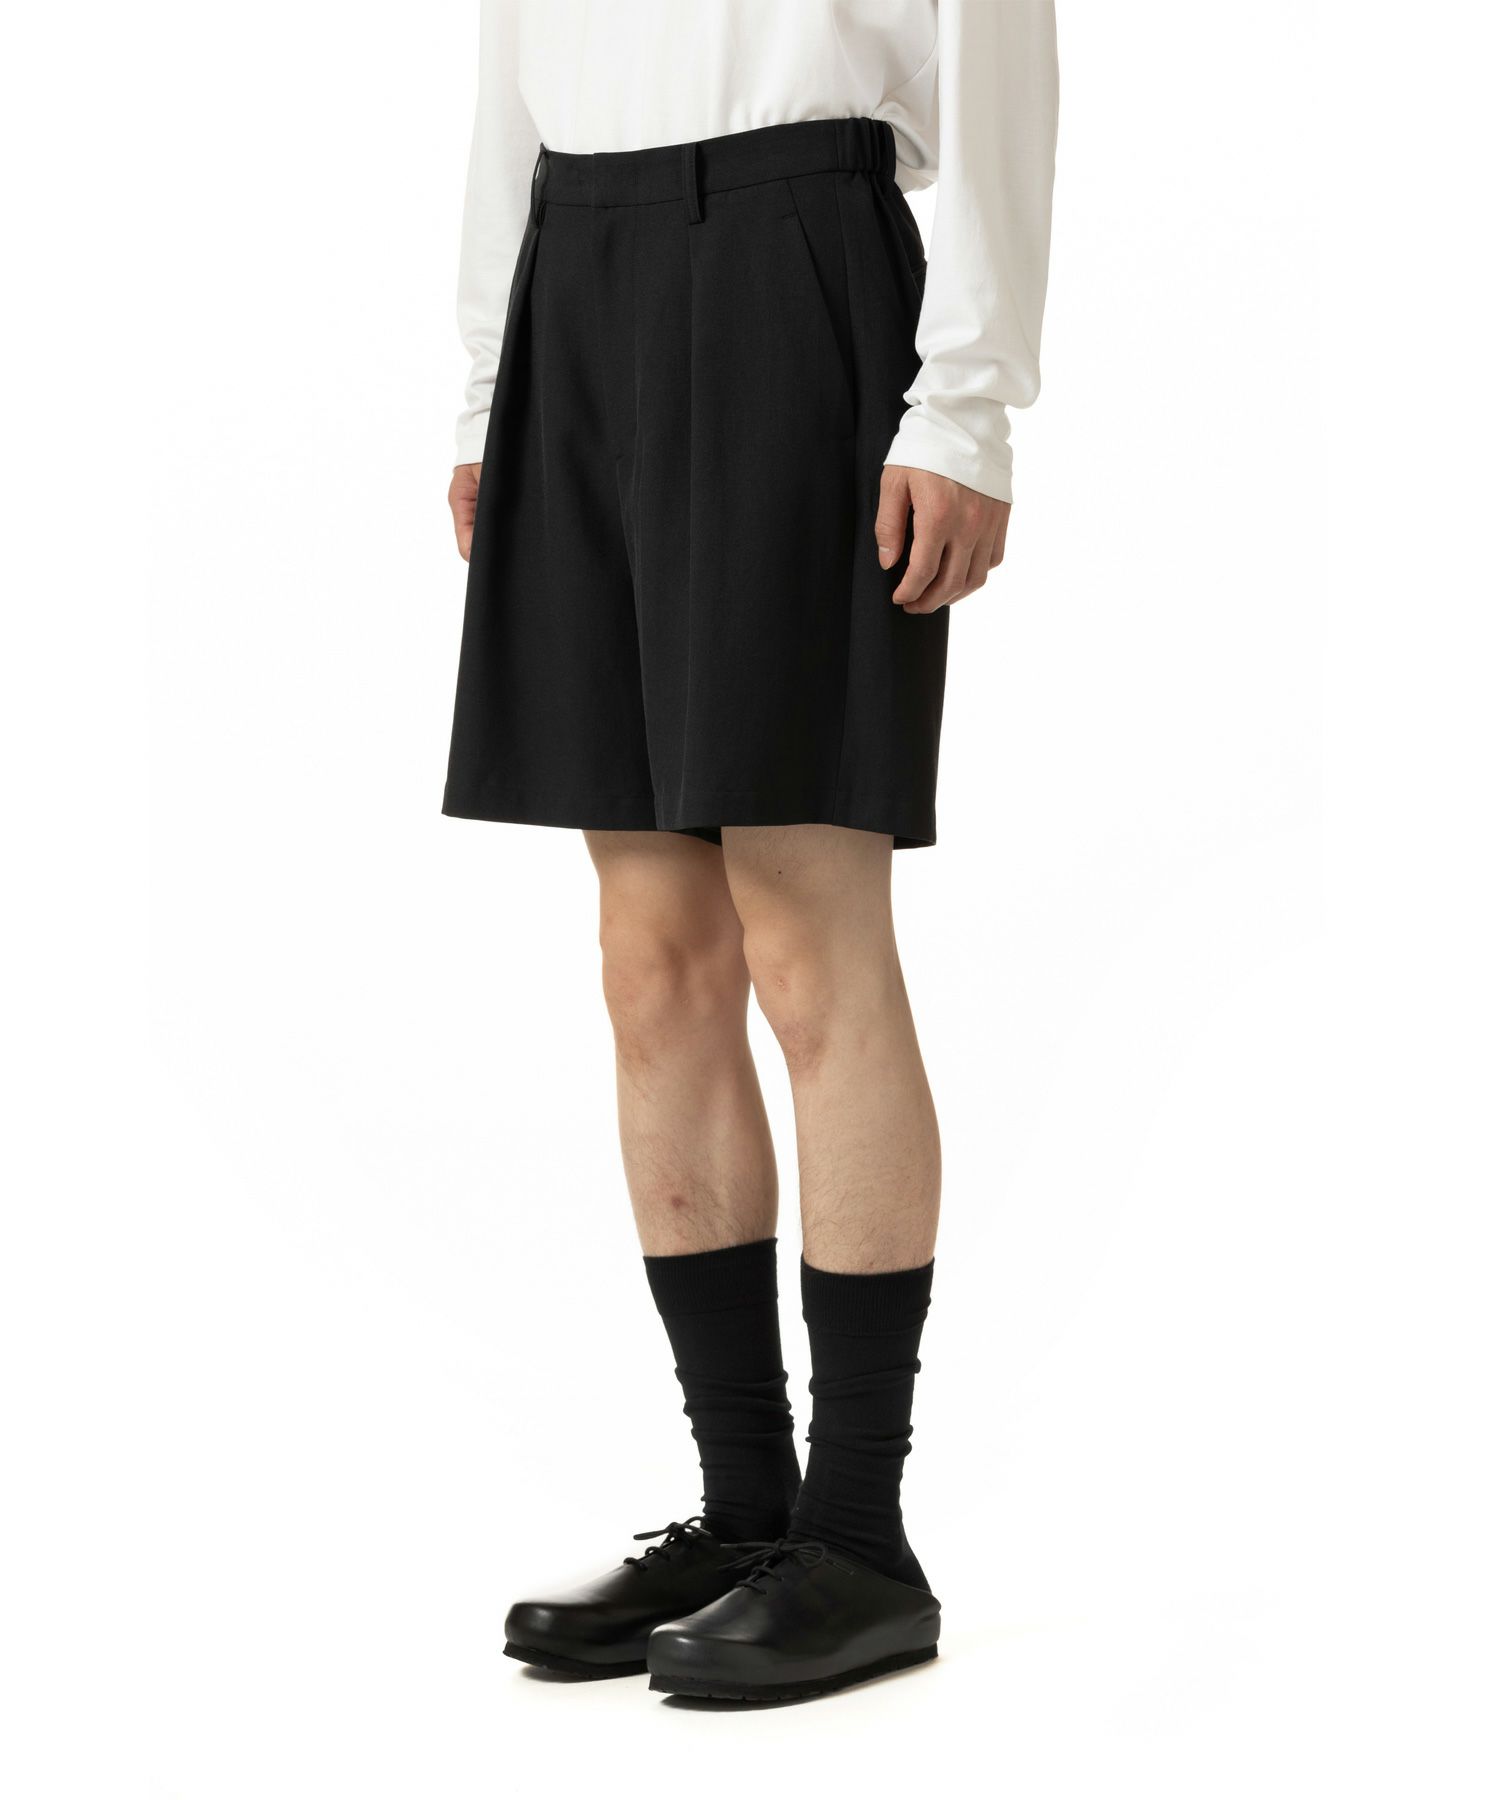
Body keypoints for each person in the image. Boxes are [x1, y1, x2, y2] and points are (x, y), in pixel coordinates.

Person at [444, 0, 1057, 1702]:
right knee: (650, 954)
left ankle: (857, 1541)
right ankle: (743, 1514)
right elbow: (511, 77)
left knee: (806, 926)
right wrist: (493, 385)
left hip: (797, 258)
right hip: (579, 276)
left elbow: (1001, 65)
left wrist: (967, 407)